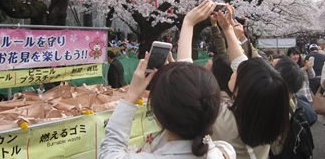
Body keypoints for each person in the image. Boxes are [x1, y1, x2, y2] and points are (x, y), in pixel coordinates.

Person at [177, 0, 290, 159]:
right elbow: (244, 65)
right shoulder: (267, 113)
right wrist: (227, 29)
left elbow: (184, 80)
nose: (235, 68)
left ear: (240, 90)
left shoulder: (225, 122)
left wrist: (188, 23)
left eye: (240, 72)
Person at [99, 53, 236, 158]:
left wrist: (131, 95)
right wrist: (183, 83)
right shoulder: (223, 152)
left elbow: (109, 150)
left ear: (158, 114)